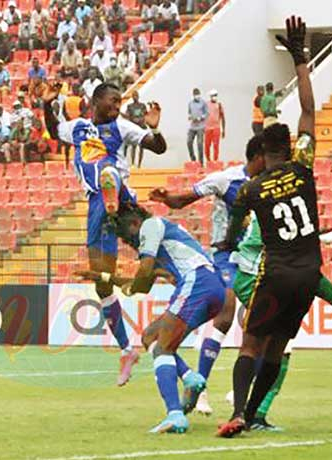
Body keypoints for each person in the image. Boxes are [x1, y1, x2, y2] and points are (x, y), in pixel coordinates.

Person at [149, 136, 332, 420]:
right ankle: (204, 388)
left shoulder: (268, 187)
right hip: (233, 258)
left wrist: (330, 233)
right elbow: (186, 199)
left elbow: (293, 226)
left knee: (274, 341)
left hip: (265, 262)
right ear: (260, 158)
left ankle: (248, 408)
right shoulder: (229, 181)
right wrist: (167, 199)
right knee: (230, 315)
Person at [214, 16, 320, 438]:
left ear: (263, 153)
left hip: (274, 274)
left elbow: (236, 221)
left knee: (251, 344)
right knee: (278, 347)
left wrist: (227, 239)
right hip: (309, 272)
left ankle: (238, 412)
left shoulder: (252, 189)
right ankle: (254, 414)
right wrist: (300, 60)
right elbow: (310, 110)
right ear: (290, 147)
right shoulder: (304, 166)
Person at [43, 80, 166, 385]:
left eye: (119, 102)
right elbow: (53, 130)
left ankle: (115, 198)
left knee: (108, 171)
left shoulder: (122, 127)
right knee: (102, 282)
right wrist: (47, 104)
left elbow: (158, 148)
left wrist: (154, 130)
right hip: (97, 206)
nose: (117, 106)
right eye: (113, 101)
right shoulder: (79, 128)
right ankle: (127, 349)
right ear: (96, 102)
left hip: (120, 197)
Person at [73, 201, 231, 434]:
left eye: (127, 236)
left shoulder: (151, 225)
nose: (129, 242)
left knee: (163, 349)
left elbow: (143, 274)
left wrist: (133, 285)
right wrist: (101, 277)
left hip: (197, 283)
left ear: (135, 223)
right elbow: (143, 285)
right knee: (149, 336)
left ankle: (175, 415)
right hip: (210, 288)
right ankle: (190, 377)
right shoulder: (160, 238)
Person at [124, 92, 147, 167]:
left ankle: (139, 164)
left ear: (138, 96)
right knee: (133, 146)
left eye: (136, 96)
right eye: (133, 96)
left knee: (142, 146)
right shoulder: (130, 106)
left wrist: (142, 120)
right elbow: (127, 115)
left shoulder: (142, 106)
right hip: (133, 127)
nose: (135, 97)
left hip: (142, 127)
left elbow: (145, 114)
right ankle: (133, 163)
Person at [186, 88, 208, 165]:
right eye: (196, 95)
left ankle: (201, 163)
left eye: (198, 94)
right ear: (193, 95)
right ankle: (193, 160)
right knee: (189, 142)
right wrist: (190, 117)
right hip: (192, 126)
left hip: (200, 127)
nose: (197, 96)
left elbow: (206, 113)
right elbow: (189, 113)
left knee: (199, 144)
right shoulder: (190, 103)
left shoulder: (203, 103)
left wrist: (201, 117)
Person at [204, 89, 226, 162]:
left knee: (216, 145)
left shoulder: (219, 105)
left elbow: (223, 118)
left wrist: (223, 130)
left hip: (216, 128)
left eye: (215, 95)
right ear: (210, 96)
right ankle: (208, 160)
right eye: (213, 96)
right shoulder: (206, 105)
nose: (214, 97)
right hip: (207, 128)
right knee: (207, 146)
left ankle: (215, 161)